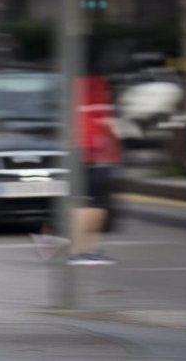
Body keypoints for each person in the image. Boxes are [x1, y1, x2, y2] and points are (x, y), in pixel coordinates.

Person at [67, 74, 122, 265]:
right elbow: (98, 119)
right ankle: (83, 251)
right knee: (96, 203)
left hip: (87, 150)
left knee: (89, 203)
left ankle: (85, 250)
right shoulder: (94, 84)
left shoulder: (79, 82)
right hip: (94, 151)